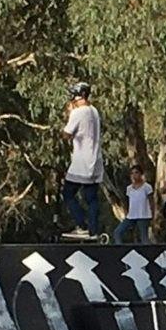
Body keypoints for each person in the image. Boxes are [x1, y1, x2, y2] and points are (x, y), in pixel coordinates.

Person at [61, 82, 104, 241]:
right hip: (95, 159)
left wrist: (69, 114)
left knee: (68, 193)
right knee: (91, 197)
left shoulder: (78, 113)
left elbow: (66, 134)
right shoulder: (94, 111)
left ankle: (82, 225)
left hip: (81, 161)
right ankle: (93, 230)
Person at [113, 164, 154, 244]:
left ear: (141, 174)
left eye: (136, 173)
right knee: (117, 232)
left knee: (144, 238)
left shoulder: (147, 187)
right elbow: (129, 201)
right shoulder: (129, 188)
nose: (134, 175)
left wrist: (152, 214)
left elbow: (151, 201)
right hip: (131, 215)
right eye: (132, 173)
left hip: (143, 215)